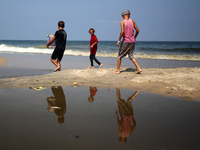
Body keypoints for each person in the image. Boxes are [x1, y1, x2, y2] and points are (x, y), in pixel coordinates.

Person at [113, 10, 142, 74]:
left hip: (126, 41)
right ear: (129, 15)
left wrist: (119, 40)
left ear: (122, 16)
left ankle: (118, 70)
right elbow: (137, 30)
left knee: (119, 56)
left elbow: (122, 31)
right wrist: (134, 37)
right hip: (132, 41)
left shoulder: (122, 22)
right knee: (131, 55)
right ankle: (138, 68)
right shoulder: (132, 21)